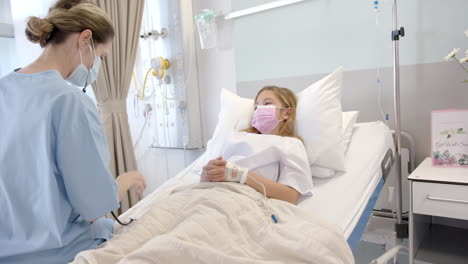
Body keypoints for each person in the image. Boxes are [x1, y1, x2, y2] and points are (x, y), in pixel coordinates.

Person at [0, 0, 146, 263]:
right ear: (85, 39)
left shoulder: (3, 90)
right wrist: (127, 179)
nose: (98, 66)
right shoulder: (70, 102)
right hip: (60, 252)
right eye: (100, 56)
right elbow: (94, 207)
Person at [201, 86, 312, 204]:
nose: (259, 109)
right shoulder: (235, 136)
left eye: (267, 103)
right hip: (208, 193)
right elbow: (208, 178)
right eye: (256, 107)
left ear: (286, 113)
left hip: (242, 199)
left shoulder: (290, 143)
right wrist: (206, 174)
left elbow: (291, 196)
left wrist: (242, 175)